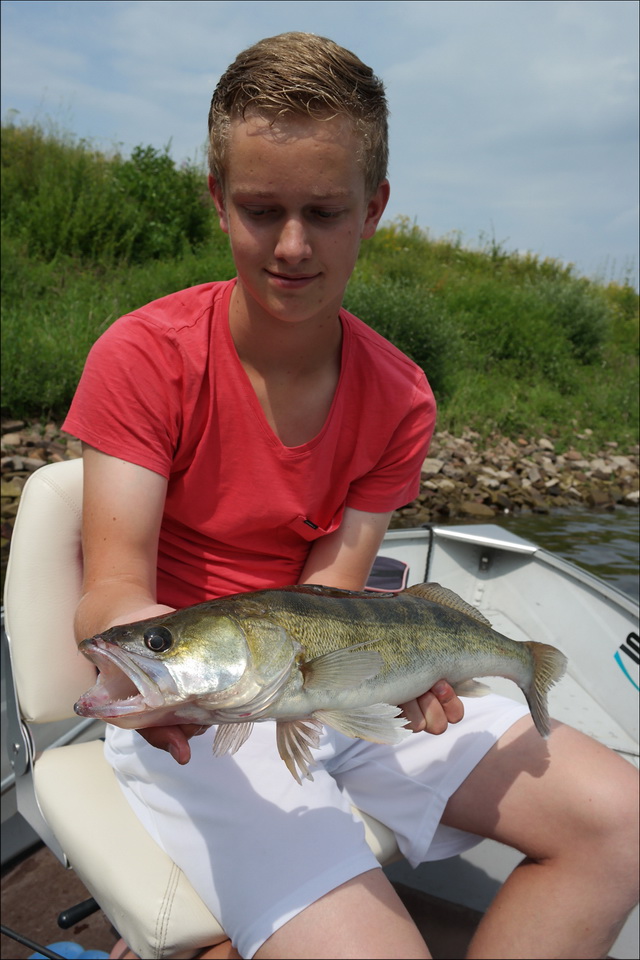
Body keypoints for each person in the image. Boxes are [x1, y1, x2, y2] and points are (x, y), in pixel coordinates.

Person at [63, 32, 638, 960]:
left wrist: (410, 675)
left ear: (372, 210)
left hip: (327, 679)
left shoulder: (401, 393)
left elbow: (340, 591)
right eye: (261, 210)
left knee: (621, 821)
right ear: (218, 202)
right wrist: (158, 666)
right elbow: (110, 593)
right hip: (200, 716)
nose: (291, 245)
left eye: (324, 212)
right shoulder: (144, 356)